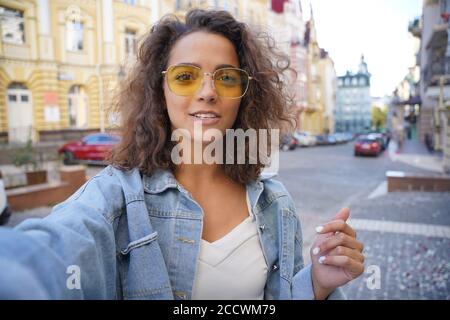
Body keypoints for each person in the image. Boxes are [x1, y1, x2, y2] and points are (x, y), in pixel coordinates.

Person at [0, 9, 364, 300]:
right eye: (185, 76)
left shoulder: (275, 202)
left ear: (245, 95)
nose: (207, 92)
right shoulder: (115, 199)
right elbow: (49, 255)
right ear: (159, 91)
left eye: (226, 77)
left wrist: (316, 285)